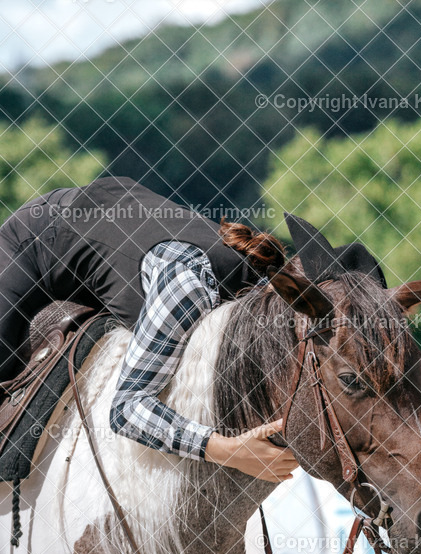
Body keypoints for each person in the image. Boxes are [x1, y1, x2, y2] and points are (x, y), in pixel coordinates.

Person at [0, 176, 298, 484]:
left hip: (111, 210)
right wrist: (227, 450)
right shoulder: (188, 290)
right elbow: (127, 408)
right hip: (35, 235)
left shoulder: (262, 292)